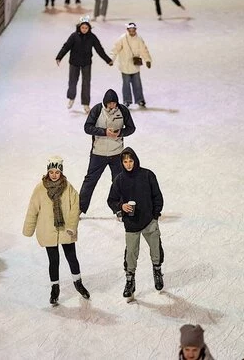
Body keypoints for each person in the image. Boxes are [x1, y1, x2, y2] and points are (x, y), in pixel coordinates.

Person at [23, 156, 90, 306]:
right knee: (53, 261)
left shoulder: (68, 187)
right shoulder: (40, 188)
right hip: (48, 230)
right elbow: (33, 209)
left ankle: (78, 283)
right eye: (51, 172)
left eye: (57, 172)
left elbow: (75, 207)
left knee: (71, 257)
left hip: (66, 230)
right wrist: (29, 229)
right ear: (47, 172)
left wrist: (72, 227)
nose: (54, 175)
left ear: (61, 173)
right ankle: (55, 288)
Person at [107, 147, 164, 298]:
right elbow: (111, 200)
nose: (128, 164)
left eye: (130, 161)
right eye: (125, 161)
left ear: (135, 160)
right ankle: (130, 280)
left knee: (156, 249)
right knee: (131, 253)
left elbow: (157, 196)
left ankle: (157, 272)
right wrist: (121, 206)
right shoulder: (120, 179)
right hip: (131, 224)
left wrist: (155, 216)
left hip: (149, 221)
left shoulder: (147, 175)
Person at [80, 89, 136, 214]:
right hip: (98, 154)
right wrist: (104, 132)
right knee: (90, 181)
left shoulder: (123, 110)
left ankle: (119, 209)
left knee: (119, 182)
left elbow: (131, 128)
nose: (112, 106)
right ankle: (80, 208)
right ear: (105, 103)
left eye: (114, 103)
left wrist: (120, 133)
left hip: (117, 154)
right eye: (110, 103)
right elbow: (87, 127)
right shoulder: (97, 110)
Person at [56, 17, 114, 113]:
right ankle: (71, 98)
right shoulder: (74, 36)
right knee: (72, 82)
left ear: (89, 28)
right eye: (82, 27)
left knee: (86, 83)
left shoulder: (92, 37)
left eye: (86, 28)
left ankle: (86, 104)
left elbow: (99, 49)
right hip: (74, 62)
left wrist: (107, 60)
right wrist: (59, 57)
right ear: (79, 27)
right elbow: (66, 47)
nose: (84, 29)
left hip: (86, 63)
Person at [110, 22, 152, 107]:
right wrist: (111, 59)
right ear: (128, 30)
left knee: (137, 83)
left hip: (135, 65)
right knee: (126, 84)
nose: (132, 32)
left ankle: (140, 100)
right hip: (125, 65)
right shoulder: (122, 38)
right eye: (130, 30)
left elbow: (144, 50)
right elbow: (115, 49)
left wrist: (147, 60)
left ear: (135, 30)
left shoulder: (139, 39)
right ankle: (127, 100)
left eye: (133, 30)